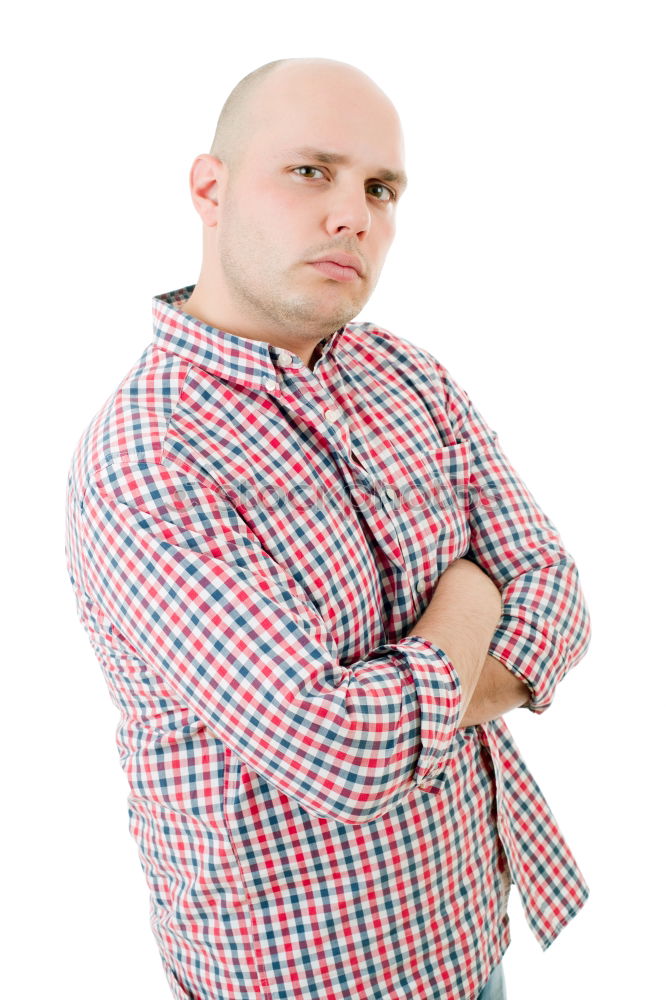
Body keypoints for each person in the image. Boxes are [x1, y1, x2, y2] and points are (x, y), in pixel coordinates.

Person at [64, 57, 591, 1000]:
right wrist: (470, 590)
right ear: (210, 189)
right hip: (305, 980)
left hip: (470, 937)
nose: (355, 214)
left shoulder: (408, 376)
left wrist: (401, 697)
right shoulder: (149, 461)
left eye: (380, 188)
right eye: (312, 172)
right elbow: (342, 754)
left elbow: (558, 592)